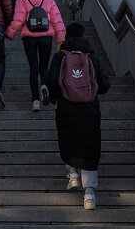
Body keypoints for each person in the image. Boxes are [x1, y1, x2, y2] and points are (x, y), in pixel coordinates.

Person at [47, 22, 111, 210]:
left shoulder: (60, 56)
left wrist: (53, 98)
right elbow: (105, 86)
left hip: (66, 107)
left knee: (68, 140)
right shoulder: (93, 59)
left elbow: (51, 81)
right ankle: (89, 194)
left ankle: (73, 174)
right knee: (89, 146)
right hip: (89, 109)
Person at [5, 0, 66, 111]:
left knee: (33, 69)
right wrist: (60, 39)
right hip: (46, 37)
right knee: (44, 67)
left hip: (29, 38)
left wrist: (10, 33)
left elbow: (18, 19)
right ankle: (44, 85)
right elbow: (57, 20)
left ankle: (35, 101)